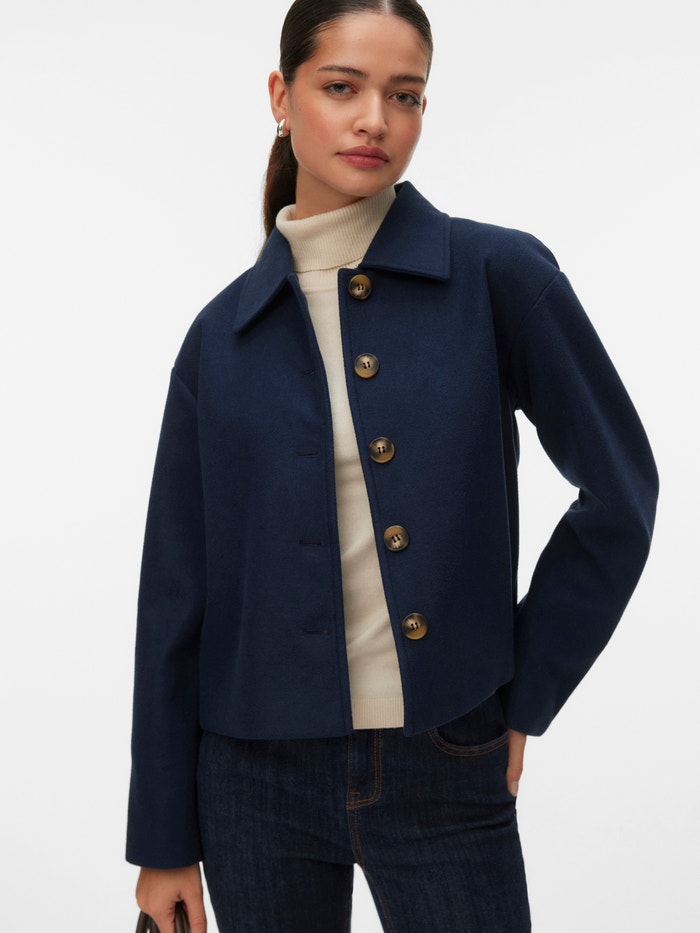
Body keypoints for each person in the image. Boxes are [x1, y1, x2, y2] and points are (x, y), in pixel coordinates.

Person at [127, 1, 658, 930]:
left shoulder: (496, 274)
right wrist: (163, 838)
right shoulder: (220, 339)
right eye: (342, 87)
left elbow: (621, 491)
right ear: (281, 97)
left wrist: (524, 691)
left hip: (448, 755)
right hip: (251, 780)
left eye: (404, 95)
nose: (375, 119)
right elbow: (176, 596)